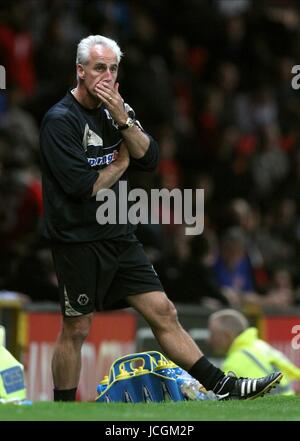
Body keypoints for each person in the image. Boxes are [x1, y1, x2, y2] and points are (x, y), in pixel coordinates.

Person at [39, 34, 282, 402]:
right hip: (77, 239)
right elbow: (82, 187)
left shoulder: (117, 110)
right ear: (80, 71)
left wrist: (122, 119)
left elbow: (149, 158)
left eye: (112, 68)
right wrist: (121, 163)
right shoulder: (60, 120)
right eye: (98, 68)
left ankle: (224, 387)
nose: (106, 75)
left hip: (119, 233)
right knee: (77, 327)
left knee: (164, 311)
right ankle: (62, 409)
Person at [208, 309, 300, 395]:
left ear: (227, 336)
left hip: (272, 410)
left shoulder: (234, 362)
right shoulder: (260, 345)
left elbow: (221, 396)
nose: (209, 340)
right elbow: (292, 371)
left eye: (213, 334)